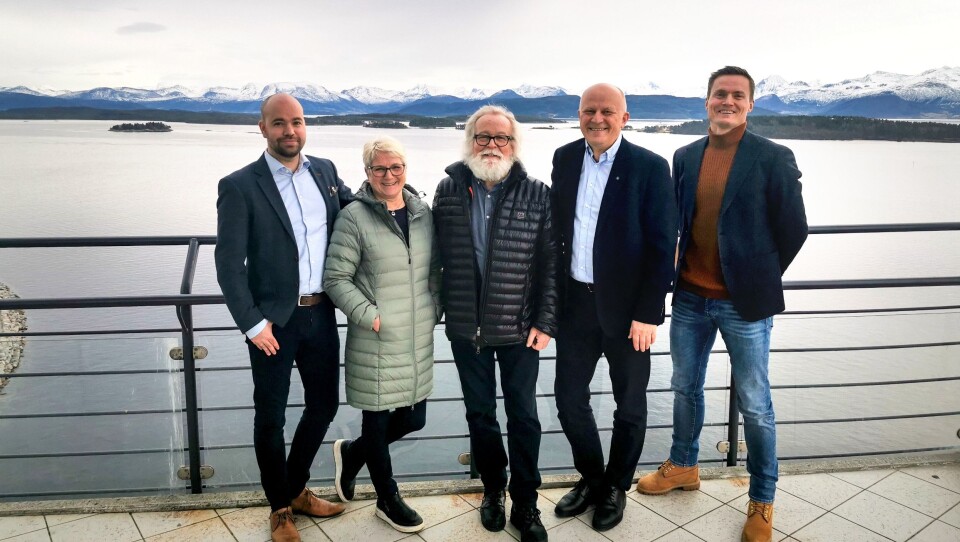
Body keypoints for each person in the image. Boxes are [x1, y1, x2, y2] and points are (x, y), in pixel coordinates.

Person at [636, 66, 808, 542]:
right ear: (706, 101)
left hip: (743, 304)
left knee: (755, 405)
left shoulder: (773, 157)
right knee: (685, 387)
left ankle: (762, 500)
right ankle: (684, 465)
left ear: (750, 104)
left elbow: (794, 229)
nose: (727, 101)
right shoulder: (685, 155)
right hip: (689, 296)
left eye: (737, 95)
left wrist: (756, 277)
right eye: (719, 95)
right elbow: (678, 221)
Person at [214, 93, 352, 542]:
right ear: (263, 128)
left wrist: (406, 200)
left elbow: (357, 211)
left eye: (296, 122)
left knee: (324, 405)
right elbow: (229, 264)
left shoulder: (326, 172)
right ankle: (279, 509)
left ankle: (293, 489)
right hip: (273, 323)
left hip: (321, 314)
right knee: (270, 418)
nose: (289, 130)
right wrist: (252, 324)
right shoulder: (239, 185)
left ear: (305, 125)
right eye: (279, 123)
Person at [551, 83, 677, 532]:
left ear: (625, 117)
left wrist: (648, 312)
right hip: (575, 307)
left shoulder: (649, 167)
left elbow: (664, 246)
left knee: (630, 406)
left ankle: (615, 488)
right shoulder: (565, 159)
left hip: (628, 314)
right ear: (579, 115)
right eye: (589, 111)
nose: (597, 118)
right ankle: (592, 478)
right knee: (568, 400)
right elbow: (557, 232)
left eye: (608, 111)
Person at [432, 105, 558, 542]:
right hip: (467, 330)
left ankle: (526, 504)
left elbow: (550, 266)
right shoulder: (447, 190)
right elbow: (432, 255)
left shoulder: (538, 194)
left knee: (524, 417)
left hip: (521, 329)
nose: (491, 145)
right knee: (480, 416)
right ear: (470, 141)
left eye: (500, 138)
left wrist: (545, 320)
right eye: (483, 137)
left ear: (514, 144)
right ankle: (492, 491)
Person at [325, 136, 441, 534]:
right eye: (379, 169)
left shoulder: (423, 213)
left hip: (416, 336)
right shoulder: (354, 217)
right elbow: (336, 278)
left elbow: (435, 270)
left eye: (396, 167)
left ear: (406, 170)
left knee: (415, 418)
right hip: (375, 337)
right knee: (376, 419)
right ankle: (387, 499)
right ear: (367, 173)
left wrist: (435, 307)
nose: (389, 175)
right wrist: (369, 316)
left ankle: (352, 454)